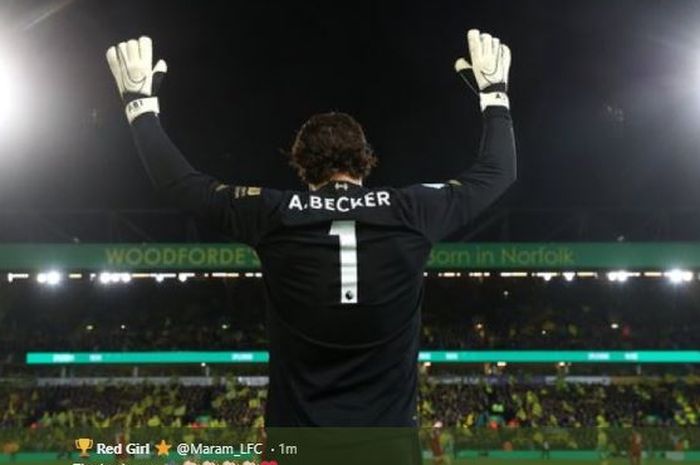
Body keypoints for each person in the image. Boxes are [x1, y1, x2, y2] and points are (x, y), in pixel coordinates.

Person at [105, 28, 515, 431]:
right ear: (365, 159)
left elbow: (182, 184)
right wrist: (494, 94)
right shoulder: (411, 209)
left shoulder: (274, 213)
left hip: (296, 442)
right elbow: (497, 173)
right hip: (388, 442)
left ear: (301, 162)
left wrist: (140, 105)